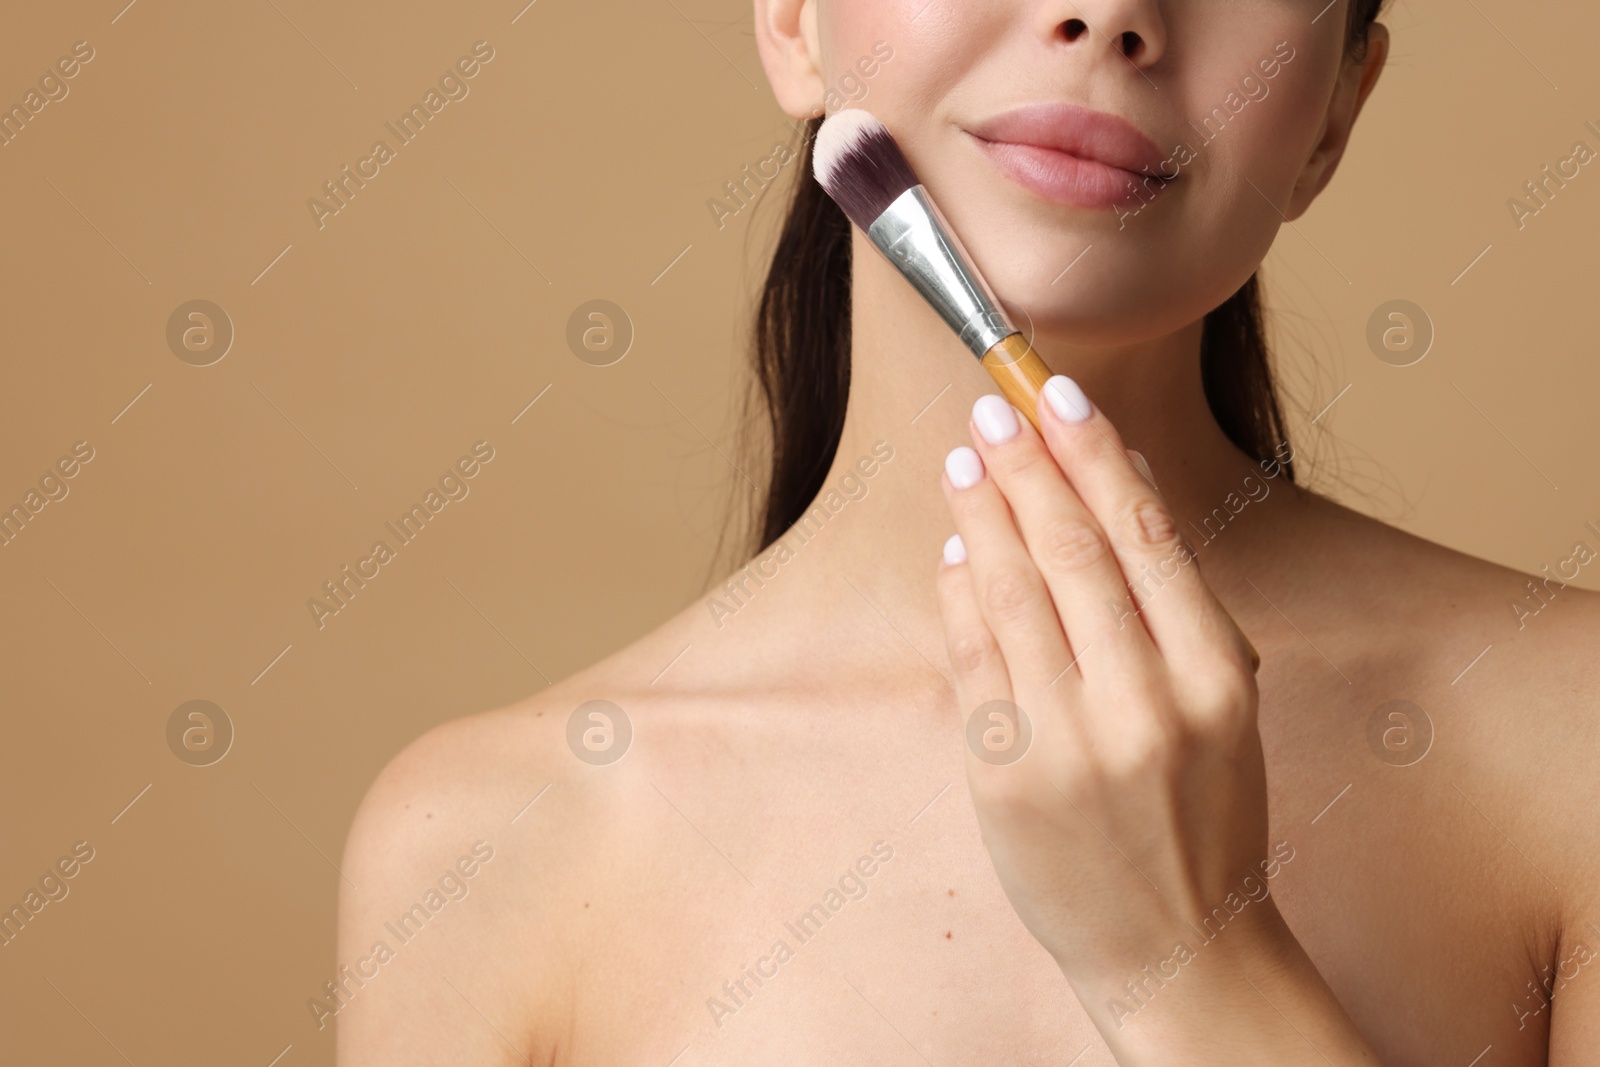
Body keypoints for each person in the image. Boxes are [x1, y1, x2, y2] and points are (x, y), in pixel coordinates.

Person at [337, 2, 1600, 1063]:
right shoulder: (489, 845)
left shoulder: (1569, 743)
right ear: (793, 15)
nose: (1109, 13)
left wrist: (1187, 960)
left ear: (1333, 110)